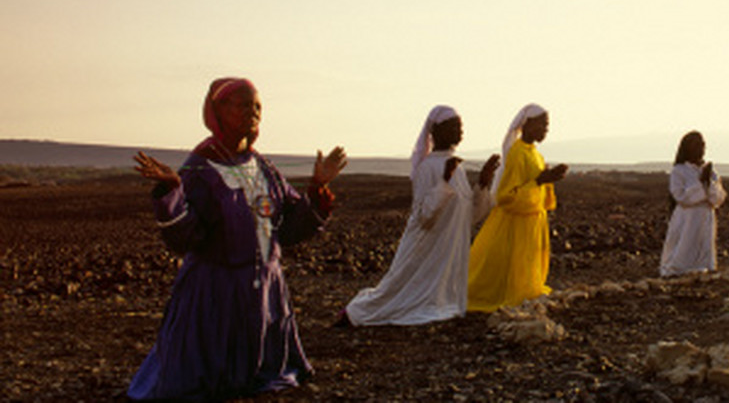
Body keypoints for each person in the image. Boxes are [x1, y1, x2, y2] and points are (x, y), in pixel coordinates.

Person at [127, 77, 346, 402]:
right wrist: (171, 191)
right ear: (218, 111)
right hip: (215, 291)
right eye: (243, 104)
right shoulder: (200, 168)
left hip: (263, 288)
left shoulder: (264, 168)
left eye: (257, 105)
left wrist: (316, 189)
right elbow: (185, 237)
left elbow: (287, 229)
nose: (252, 111)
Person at [339, 105, 500, 326]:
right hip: (425, 246)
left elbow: (468, 215)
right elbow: (425, 216)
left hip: (447, 248)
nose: (459, 133)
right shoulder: (428, 168)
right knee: (399, 288)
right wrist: (444, 181)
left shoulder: (457, 168)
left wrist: (483, 181)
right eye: (453, 127)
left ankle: (440, 304)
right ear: (436, 132)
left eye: (460, 127)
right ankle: (356, 313)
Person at [466, 104, 568, 312]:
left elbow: (537, 184)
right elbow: (506, 195)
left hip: (532, 219)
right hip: (515, 223)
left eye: (547, 126)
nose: (546, 130)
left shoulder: (535, 154)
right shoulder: (517, 153)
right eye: (542, 125)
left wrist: (548, 179)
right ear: (528, 125)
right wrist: (541, 180)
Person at [659, 130, 726, 277]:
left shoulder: (710, 171)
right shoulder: (679, 170)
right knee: (685, 246)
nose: (700, 149)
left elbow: (719, 197)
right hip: (687, 217)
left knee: (704, 244)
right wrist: (701, 184)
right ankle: (678, 269)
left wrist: (709, 184)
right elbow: (680, 196)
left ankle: (704, 266)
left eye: (702, 145)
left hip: (706, 214)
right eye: (695, 145)